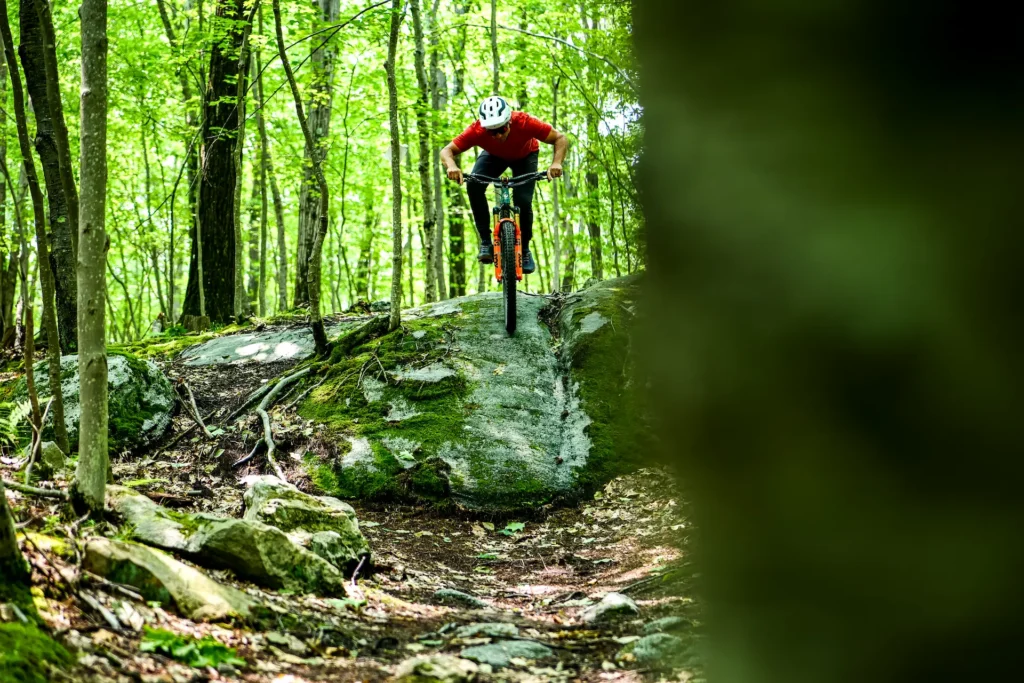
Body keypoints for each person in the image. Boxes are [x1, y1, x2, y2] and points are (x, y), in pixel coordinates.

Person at [441, 96, 568, 274]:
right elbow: (446, 150)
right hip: (494, 156)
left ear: (509, 121)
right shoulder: (477, 130)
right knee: (474, 186)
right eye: (492, 132)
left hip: (525, 156)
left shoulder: (524, 122)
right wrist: (452, 167)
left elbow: (560, 138)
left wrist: (556, 163)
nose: (498, 135)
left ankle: (524, 250)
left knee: (523, 201)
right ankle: (486, 242)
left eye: (501, 129)